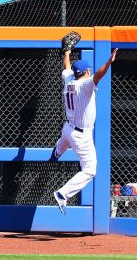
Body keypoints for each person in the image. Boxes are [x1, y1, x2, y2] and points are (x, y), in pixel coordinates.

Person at [49, 48, 118, 214]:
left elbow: (66, 67)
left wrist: (66, 52)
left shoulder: (69, 79)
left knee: (64, 141)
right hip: (81, 135)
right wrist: (109, 62)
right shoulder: (85, 85)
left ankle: (57, 152)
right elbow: (99, 75)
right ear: (87, 71)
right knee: (90, 170)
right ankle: (62, 194)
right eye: (89, 70)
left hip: (68, 129)